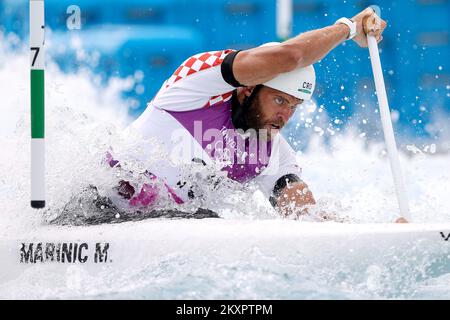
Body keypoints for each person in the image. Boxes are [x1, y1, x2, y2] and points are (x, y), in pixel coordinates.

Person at [108, 7, 405, 221]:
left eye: (293, 105)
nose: (285, 115)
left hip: (160, 227)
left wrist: (368, 235)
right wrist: (348, 28)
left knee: (207, 217)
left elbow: (307, 218)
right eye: (279, 100)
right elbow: (291, 56)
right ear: (248, 89)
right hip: (94, 211)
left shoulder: (273, 153)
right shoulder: (195, 87)